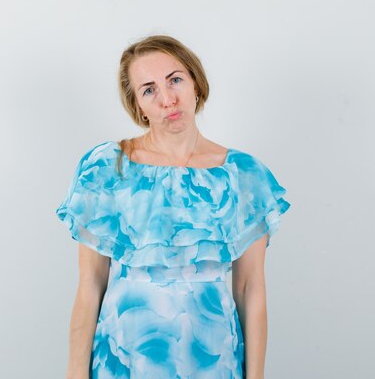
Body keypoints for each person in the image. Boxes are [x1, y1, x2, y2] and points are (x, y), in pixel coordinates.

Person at [55, 35, 291, 379]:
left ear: (196, 83)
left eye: (175, 80)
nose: (168, 99)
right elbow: (90, 284)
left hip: (213, 360)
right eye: (148, 90)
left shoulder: (245, 176)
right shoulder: (106, 168)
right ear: (138, 106)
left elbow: (249, 289)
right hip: (124, 359)